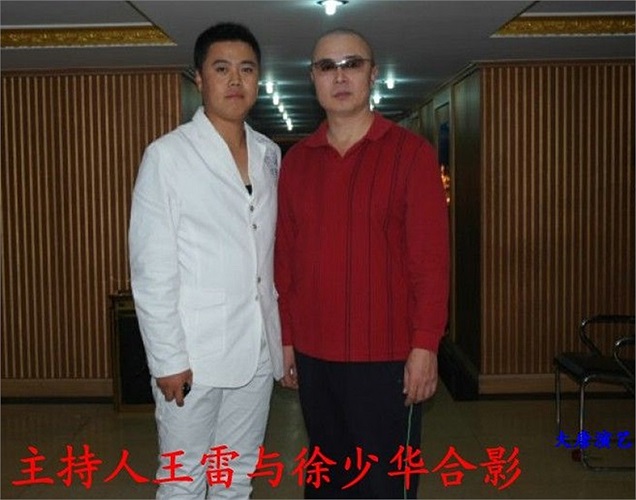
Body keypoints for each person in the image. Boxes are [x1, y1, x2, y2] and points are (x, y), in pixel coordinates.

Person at [275, 28, 449, 499]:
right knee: (326, 482)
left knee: (385, 485)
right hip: (315, 357)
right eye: (326, 67)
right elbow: (285, 260)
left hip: (388, 358)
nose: (340, 76)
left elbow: (430, 263)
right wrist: (286, 338)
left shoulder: (411, 155)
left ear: (373, 74)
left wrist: (426, 346)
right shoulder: (297, 164)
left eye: (352, 64)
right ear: (312, 78)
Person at [129, 22, 283, 499]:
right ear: (199, 78)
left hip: (256, 347)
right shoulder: (168, 156)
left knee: (235, 475)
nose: (235, 80)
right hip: (193, 354)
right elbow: (152, 269)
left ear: (258, 79)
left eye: (246, 69)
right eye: (221, 69)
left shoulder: (269, 153)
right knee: (184, 477)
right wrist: (167, 359)